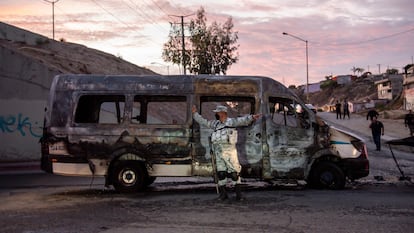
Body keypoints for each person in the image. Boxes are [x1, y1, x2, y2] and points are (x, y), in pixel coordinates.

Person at [192, 105, 261, 201]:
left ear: (222, 113)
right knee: (221, 173)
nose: (216, 114)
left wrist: (252, 117)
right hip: (218, 151)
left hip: (230, 151)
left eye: (217, 112)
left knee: (234, 173)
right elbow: (203, 122)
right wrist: (195, 114)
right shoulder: (215, 124)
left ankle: (239, 195)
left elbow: (242, 120)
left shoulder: (231, 122)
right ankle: (223, 195)